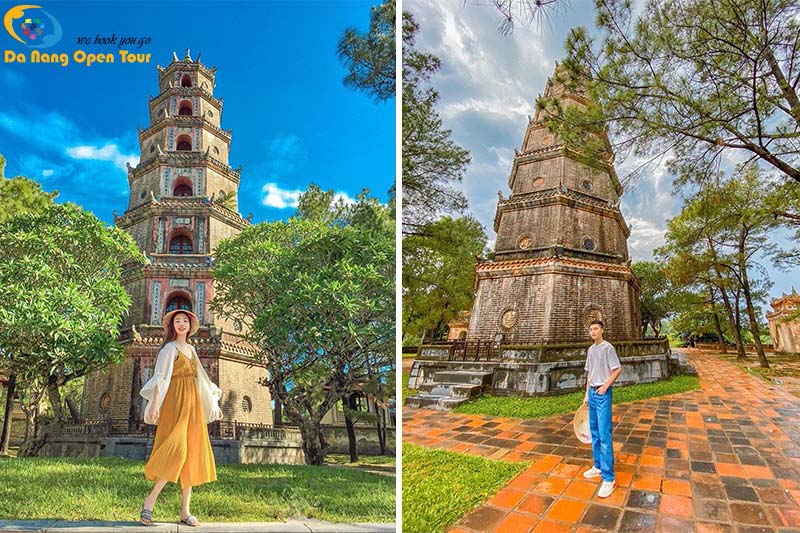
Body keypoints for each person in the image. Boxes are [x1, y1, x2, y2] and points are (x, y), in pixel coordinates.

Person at [139, 309, 224, 527]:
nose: (181, 324)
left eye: (185, 321)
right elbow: (160, 377)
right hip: (174, 402)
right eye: (177, 321)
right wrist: (154, 404)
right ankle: (150, 500)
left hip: (192, 404)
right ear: (172, 326)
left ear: (190, 325)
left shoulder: (192, 349)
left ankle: (185, 511)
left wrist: (214, 404)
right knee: (177, 450)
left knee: (191, 454)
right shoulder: (169, 349)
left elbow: (202, 379)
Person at [582, 320, 621, 498]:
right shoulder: (591, 350)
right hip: (592, 392)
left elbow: (617, 369)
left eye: (596, 329)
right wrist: (586, 394)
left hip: (603, 393)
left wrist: (605, 386)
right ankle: (598, 466)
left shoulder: (608, 348)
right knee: (595, 432)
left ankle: (609, 478)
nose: (593, 332)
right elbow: (589, 373)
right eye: (591, 329)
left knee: (605, 434)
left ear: (602, 330)